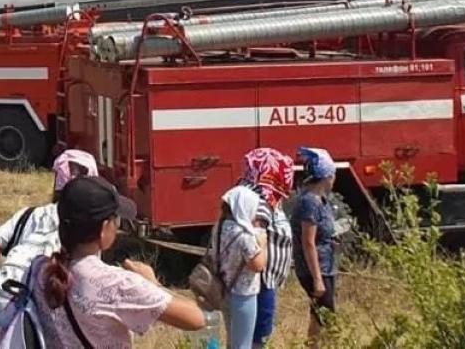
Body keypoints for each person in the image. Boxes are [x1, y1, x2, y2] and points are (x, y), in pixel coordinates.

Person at [34, 176, 206, 347]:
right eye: (116, 219)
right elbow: (196, 319)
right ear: (103, 229)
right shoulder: (116, 284)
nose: (118, 225)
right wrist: (152, 283)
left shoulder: (39, 269)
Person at [0, 149, 99, 340]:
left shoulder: (28, 214)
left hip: (5, 306)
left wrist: (11, 265)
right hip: (50, 319)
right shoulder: (87, 227)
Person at [240, 148, 294, 349]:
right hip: (257, 282)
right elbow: (253, 244)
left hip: (263, 280)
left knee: (255, 336)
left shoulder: (266, 198)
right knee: (255, 339)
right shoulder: (260, 201)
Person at [292, 147, 340, 348]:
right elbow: (308, 242)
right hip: (315, 269)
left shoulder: (322, 200)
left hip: (326, 264)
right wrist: (317, 279)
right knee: (329, 318)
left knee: (317, 314)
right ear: (326, 176)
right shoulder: (309, 202)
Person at [216, 186, 268, 349]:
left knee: (232, 341)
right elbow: (258, 265)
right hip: (243, 295)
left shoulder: (220, 228)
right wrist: (263, 244)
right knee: (242, 343)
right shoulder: (244, 236)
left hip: (224, 290)